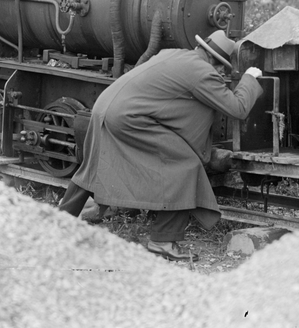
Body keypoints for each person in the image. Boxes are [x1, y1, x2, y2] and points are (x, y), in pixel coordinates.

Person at [57, 29, 263, 261]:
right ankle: (163, 241)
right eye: (222, 69)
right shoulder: (203, 72)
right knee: (185, 164)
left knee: (92, 167)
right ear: (217, 63)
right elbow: (237, 108)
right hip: (128, 117)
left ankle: (58, 223)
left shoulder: (172, 54)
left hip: (104, 106)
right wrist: (249, 78)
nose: (221, 73)